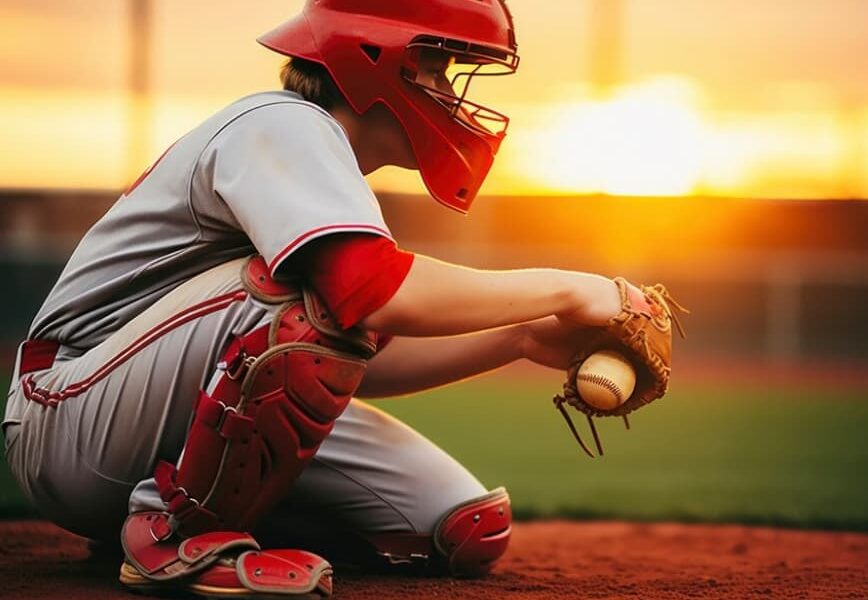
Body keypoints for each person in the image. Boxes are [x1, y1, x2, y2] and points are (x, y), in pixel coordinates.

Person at [3, 1, 647, 597]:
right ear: (375, 58)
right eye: (438, 68)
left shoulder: (321, 157)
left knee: (465, 525)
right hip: (67, 417)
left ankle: (175, 508)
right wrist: (572, 287)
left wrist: (523, 338)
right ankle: (173, 532)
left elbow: (346, 353)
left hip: (153, 413)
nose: (450, 94)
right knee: (298, 294)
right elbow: (369, 296)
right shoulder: (285, 124)